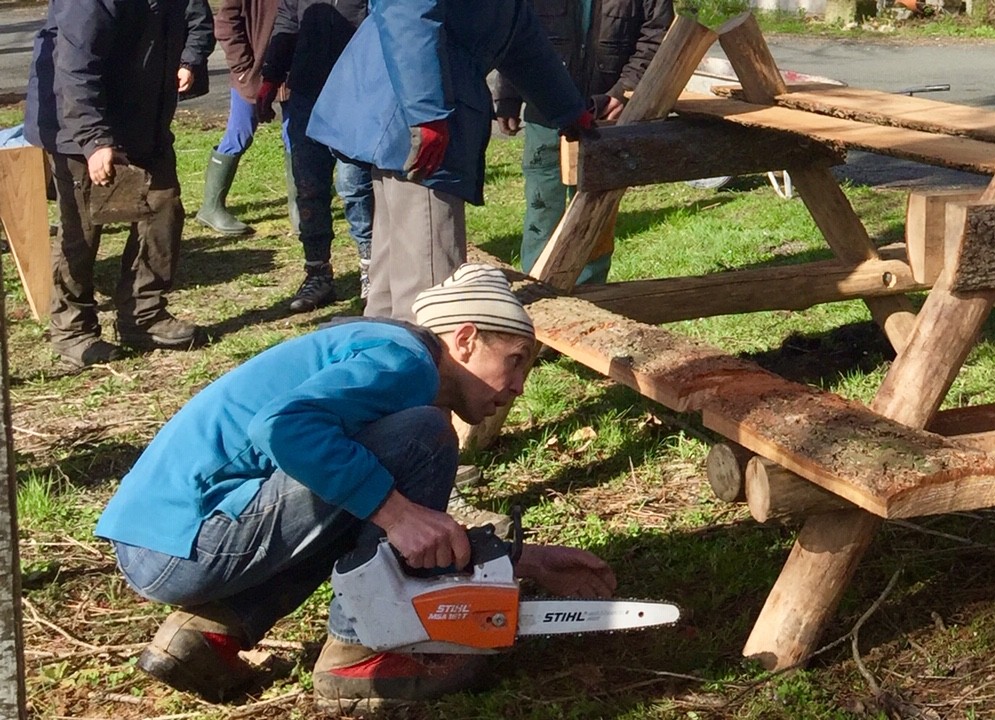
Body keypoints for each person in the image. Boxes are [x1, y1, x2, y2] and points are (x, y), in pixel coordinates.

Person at [98, 263, 617, 710]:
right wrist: (396, 514)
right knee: (422, 437)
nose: (519, 386)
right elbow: (283, 428)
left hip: (165, 542)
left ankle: (212, 631)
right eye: (516, 360)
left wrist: (520, 560)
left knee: (362, 486)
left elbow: (355, 501)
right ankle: (362, 650)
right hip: (188, 540)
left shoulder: (380, 353)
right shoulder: (407, 362)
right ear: (465, 339)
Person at [306, 0, 594, 323]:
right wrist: (426, 113)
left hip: (409, 117)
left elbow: (518, 34)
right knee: (430, 301)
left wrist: (569, 109)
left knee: (389, 294)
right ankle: (423, 371)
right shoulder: (425, 115)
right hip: (416, 124)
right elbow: (407, 10)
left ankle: (387, 366)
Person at [24, 0, 214, 371]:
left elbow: (195, 19)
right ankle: (72, 331)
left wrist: (189, 59)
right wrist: (94, 140)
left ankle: (143, 316)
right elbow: (75, 68)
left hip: (144, 115)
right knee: (82, 228)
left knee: (163, 207)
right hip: (77, 123)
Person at [495, 0, 673, 285]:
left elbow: (657, 33)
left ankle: (590, 294)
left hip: (604, 112)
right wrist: (508, 98)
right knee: (542, 208)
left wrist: (625, 90)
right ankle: (536, 293)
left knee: (596, 210)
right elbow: (515, 33)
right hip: (545, 109)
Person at [255, 0, 374, 312]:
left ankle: (371, 269)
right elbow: (287, 21)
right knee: (308, 187)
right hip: (307, 94)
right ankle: (317, 272)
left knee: (354, 186)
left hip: (358, 94)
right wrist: (271, 76)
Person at [194, 0, 298, 238]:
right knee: (239, 134)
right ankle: (211, 207)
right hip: (251, 71)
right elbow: (224, 24)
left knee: (295, 136)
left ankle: (299, 207)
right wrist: (243, 70)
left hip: (293, 72)